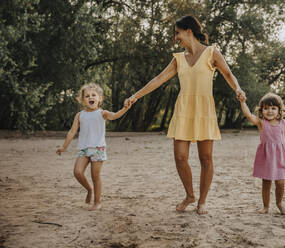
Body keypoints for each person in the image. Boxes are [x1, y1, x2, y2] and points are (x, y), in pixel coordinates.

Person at [124, 15, 246, 214]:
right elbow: (158, 79)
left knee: (206, 159)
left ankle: (202, 201)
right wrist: (135, 96)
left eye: (177, 33)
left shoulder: (212, 53)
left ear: (189, 31)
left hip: (204, 110)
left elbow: (228, 74)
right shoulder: (178, 58)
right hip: (183, 110)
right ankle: (190, 195)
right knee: (180, 157)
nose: (175, 37)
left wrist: (238, 89)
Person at [56, 83, 130, 211]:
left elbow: (115, 115)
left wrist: (125, 108)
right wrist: (63, 147)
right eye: (87, 96)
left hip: (98, 149)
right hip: (84, 149)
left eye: (94, 95)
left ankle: (97, 202)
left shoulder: (103, 113)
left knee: (95, 176)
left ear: (99, 98)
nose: (91, 97)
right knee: (77, 172)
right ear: (82, 100)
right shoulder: (80, 115)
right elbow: (72, 132)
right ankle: (89, 189)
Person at [239, 92, 285, 215]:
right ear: (261, 110)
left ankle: (279, 204)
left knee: (280, 182)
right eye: (266, 108)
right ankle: (265, 206)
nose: (269, 111)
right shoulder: (261, 122)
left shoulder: (283, 123)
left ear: (279, 110)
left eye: (273, 108)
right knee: (266, 182)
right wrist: (243, 102)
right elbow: (248, 115)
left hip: (280, 156)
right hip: (266, 156)